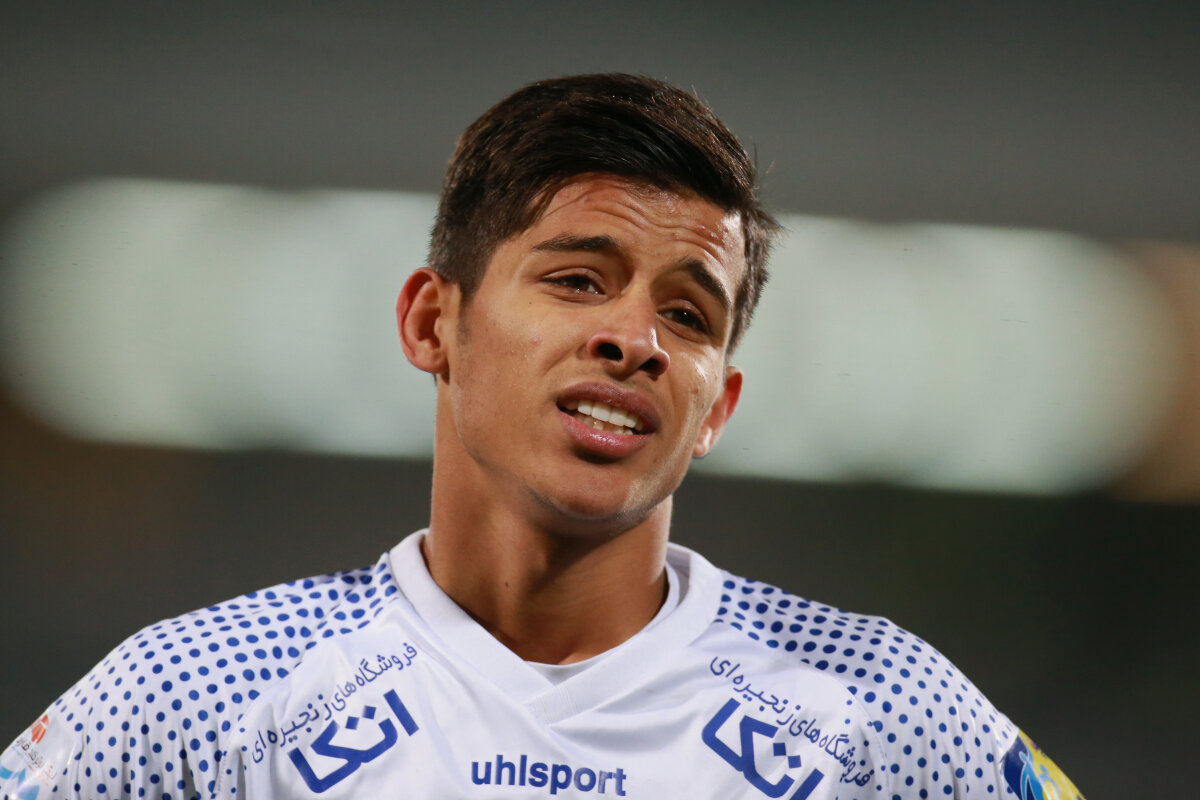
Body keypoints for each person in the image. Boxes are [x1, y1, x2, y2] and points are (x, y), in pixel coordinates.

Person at [1, 73, 1084, 800]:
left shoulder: (880, 716)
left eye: (687, 314)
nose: (634, 341)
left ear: (716, 405)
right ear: (434, 322)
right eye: (577, 280)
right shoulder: (199, 699)